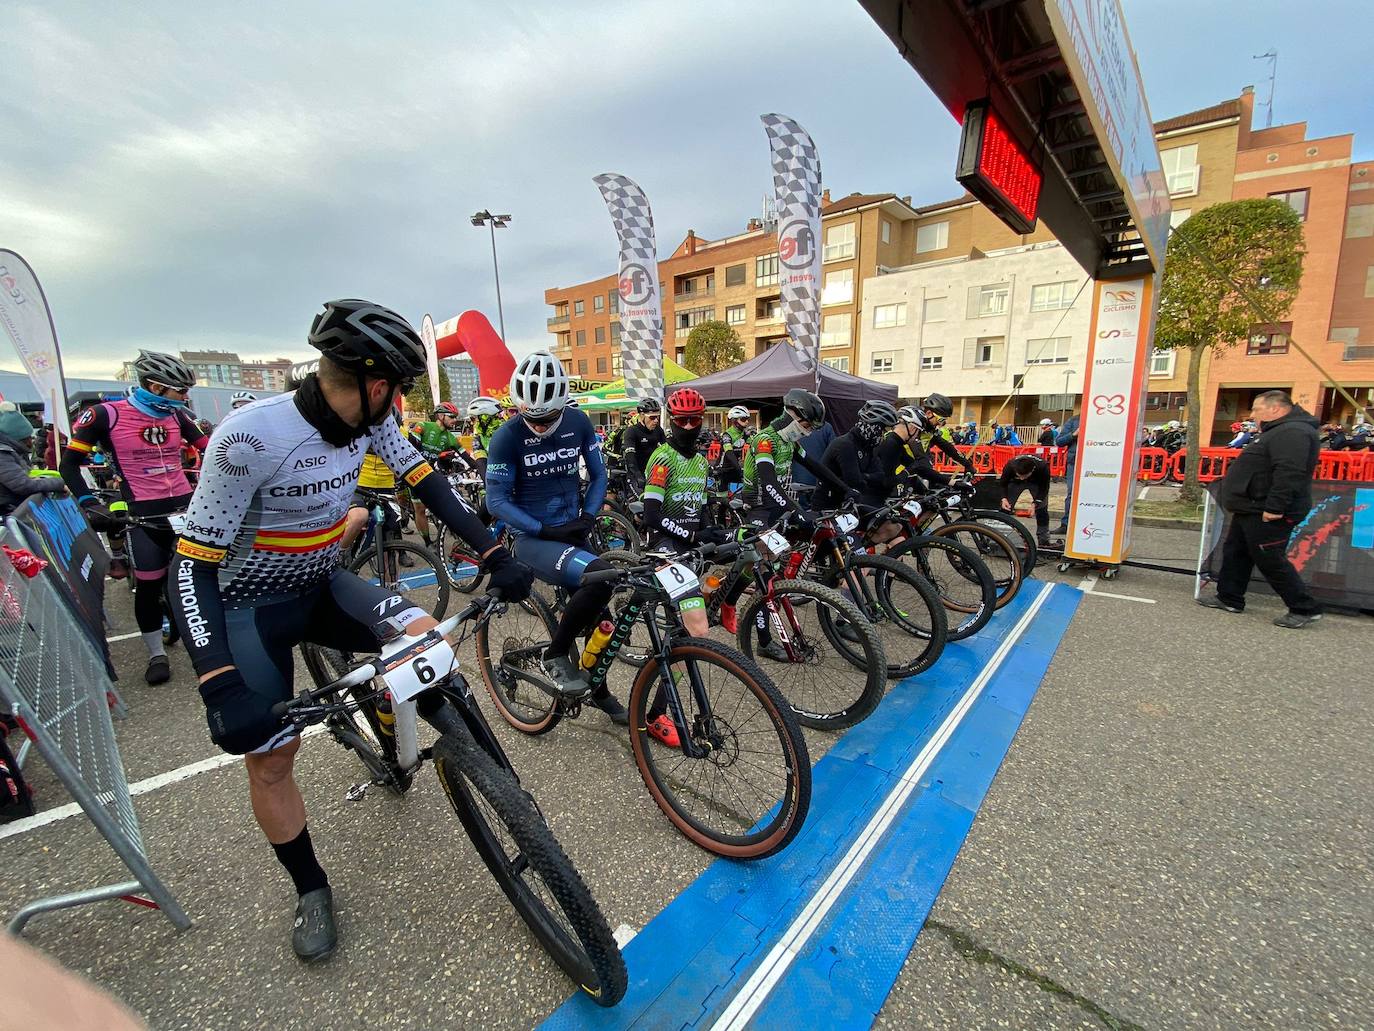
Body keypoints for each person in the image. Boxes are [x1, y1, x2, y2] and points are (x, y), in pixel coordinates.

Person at [169, 299, 530, 962]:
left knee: (425, 634)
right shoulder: (248, 438)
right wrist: (218, 681)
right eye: (396, 387)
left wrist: (495, 551)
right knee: (273, 758)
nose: (399, 401)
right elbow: (190, 568)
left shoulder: (373, 421)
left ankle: (474, 773)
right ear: (375, 382)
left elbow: (431, 488)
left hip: (322, 582)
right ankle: (310, 887)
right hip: (249, 606)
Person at [484, 352, 626, 721]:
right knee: (602, 578)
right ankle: (555, 652)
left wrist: (590, 515)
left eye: (548, 419)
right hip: (535, 538)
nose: (541, 427)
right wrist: (544, 529)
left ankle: (598, 689)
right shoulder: (506, 437)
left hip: (573, 529)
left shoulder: (578, 422)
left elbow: (598, 476)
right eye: (532, 418)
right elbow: (495, 499)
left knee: (603, 624)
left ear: (562, 405)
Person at [60, 351, 210, 685]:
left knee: (202, 575)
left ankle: (210, 642)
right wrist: (88, 502)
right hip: (143, 513)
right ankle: (156, 653)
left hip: (185, 508)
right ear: (156, 386)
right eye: (180, 390)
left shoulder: (178, 415)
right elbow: (69, 464)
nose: (185, 397)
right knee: (149, 584)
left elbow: (212, 447)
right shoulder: (104, 415)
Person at [637, 388, 731, 745]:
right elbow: (651, 516)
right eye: (682, 420)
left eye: (695, 420)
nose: (689, 426)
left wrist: (713, 531)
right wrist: (689, 535)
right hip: (665, 549)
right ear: (670, 421)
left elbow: (705, 508)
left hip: (690, 547)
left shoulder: (702, 461)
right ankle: (657, 714)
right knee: (697, 630)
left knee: (686, 631)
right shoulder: (663, 459)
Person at [1201, 390, 1322, 629]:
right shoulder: (1278, 430)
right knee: (1236, 550)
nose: (1253, 414)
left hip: (1268, 509)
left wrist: (1275, 507)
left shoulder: (1293, 432)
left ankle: (1304, 607)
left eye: (1257, 409)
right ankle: (1230, 597)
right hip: (1251, 506)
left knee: (1269, 558)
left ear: (1275, 408)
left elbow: (1289, 472)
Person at [813, 400, 901, 540]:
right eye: (883, 430)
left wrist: (865, 477)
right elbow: (855, 482)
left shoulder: (868, 447)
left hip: (849, 505)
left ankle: (862, 556)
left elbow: (880, 477)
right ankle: (857, 557)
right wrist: (867, 478)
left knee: (893, 526)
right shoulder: (845, 444)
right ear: (873, 427)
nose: (884, 435)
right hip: (829, 508)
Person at [408, 401, 463, 552]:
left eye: (456, 417)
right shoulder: (423, 426)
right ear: (440, 416)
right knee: (419, 508)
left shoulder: (450, 437)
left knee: (443, 502)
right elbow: (412, 447)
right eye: (452, 417)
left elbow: (467, 456)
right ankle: (427, 542)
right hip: (414, 472)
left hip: (430, 472)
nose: (455, 420)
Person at [0, 407, 66, 517]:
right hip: (7, 513)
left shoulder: (11, 451)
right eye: (28, 437)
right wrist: (59, 484)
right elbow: (23, 485)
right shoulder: (3, 454)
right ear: (18, 437)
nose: (32, 441)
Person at [999, 454, 1053, 546]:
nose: (1022, 478)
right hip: (1015, 483)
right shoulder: (1010, 465)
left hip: (1036, 482)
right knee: (1005, 507)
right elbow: (1003, 483)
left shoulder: (1043, 467)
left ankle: (1043, 540)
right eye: (1019, 475)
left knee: (1042, 509)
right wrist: (1003, 498)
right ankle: (999, 536)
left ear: (1032, 470)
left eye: (1024, 476)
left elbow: (1044, 488)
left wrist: (1035, 503)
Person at [790, 417, 836, 509]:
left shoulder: (793, 426)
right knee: (819, 513)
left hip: (799, 479)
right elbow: (834, 452)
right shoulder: (826, 427)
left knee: (802, 512)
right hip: (819, 479)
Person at [621, 398, 664, 491]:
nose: (656, 421)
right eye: (652, 417)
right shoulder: (632, 431)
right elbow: (630, 456)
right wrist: (638, 476)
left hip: (654, 474)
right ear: (641, 415)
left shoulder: (658, 430)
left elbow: (667, 450)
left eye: (658, 417)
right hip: (636, 473)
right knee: (640, 503)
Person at [1054, 413, 1080, 535]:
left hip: (1097, 463)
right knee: (1072, 493)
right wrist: (1074, 435)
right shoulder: (1074, 420)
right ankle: (1066, 524)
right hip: (1074, 462)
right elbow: (1059, 441)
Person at [465, 396, 504, 478]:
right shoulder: (478, 438)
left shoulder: (506, 431)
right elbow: (481, 462)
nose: (472, 423)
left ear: (485, 418)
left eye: (473, 419)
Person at [717, 404, 754, 489]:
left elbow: (754, 444)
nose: (747, 422)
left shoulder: (743, 433)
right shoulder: (727, 435)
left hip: (734, 467)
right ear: (734, 421)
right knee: (723, 497)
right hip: (723, 469)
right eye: (743, 419)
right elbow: (729, 453)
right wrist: (739, 469)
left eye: (747, 419)